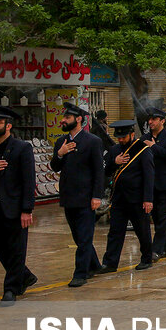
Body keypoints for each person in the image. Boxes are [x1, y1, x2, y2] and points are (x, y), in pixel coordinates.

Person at [0, 105, 36, 307]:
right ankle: (25, 275)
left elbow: (29, 181)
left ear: (8, 126)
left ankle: (11, 289)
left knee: (17, 249)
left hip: (16, 207)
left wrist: (27, 209)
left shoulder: (22, 148)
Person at [51, 102, 105, 286]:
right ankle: (95, 264)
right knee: (78, 236)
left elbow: (99, 171)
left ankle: (80, 273)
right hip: (68, 197)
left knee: (84, 237)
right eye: (64, 117)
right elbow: (54, 166)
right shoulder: (61, 142)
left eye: (67, 118)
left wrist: (97, 196)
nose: (63, 120)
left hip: (86, 197)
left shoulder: (93, 141)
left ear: (79, 119)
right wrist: (60, 153)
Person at [100, 120, 154, 272]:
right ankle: (110, 262)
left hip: (137, 199)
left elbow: (149, 176)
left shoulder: (142, 150)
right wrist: (115, 162)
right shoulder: (114, 150)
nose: (121, 140)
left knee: (142, 230)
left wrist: (148, 199)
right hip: (119, 198)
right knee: (115, 231)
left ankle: (146, 258)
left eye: (124, 137)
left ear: (132, 134)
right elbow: (106, 171)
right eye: (119, 137)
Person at [142, 107, 166, 262]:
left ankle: (156, 250)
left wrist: (154, 147)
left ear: (162, 121)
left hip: (165, 184)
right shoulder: (144, 138)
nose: (150, 122)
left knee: (163, 218)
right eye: (149, 119)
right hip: (150, 185)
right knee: (157, 219)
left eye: (154, 119)